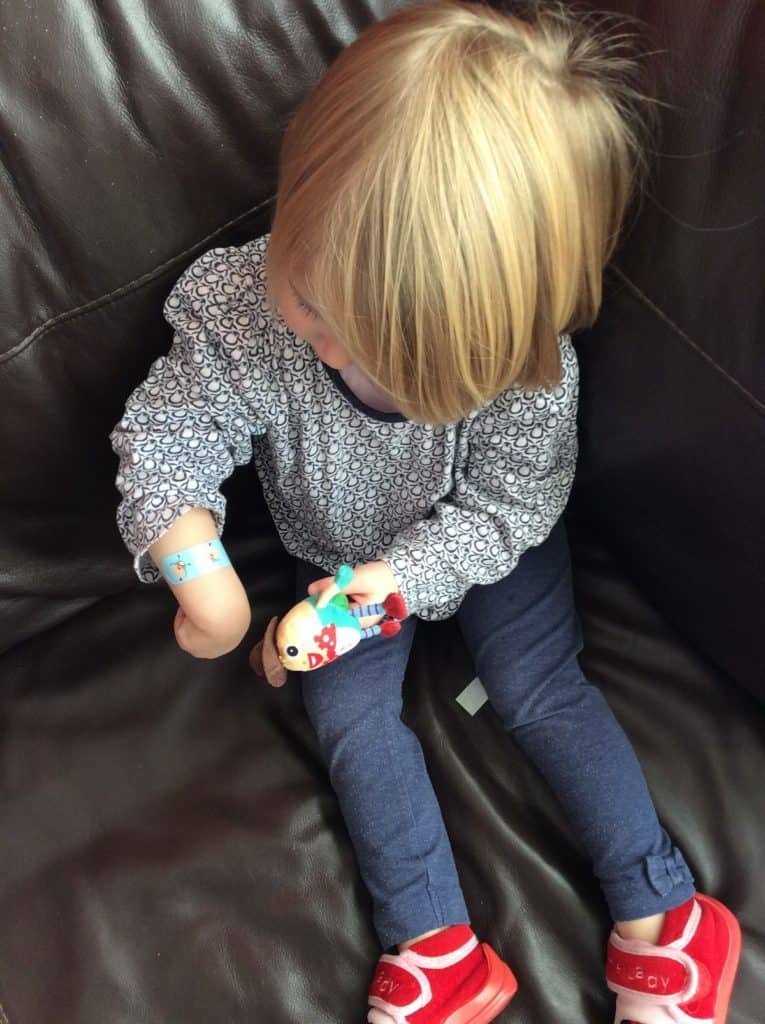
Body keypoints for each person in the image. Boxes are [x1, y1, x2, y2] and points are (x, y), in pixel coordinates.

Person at [110, 3, 741, 1022]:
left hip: (481, 543)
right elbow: (169, 430)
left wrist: (389, 587)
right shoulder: (245, 305)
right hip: (336, 558)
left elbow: (505, 513)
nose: (322, 347)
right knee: (352, 719)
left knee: (538, 686)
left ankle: (662, 912)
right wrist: (204, 578)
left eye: (376, 359)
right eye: (310, 301)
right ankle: (435, 945)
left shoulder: (527, 378)